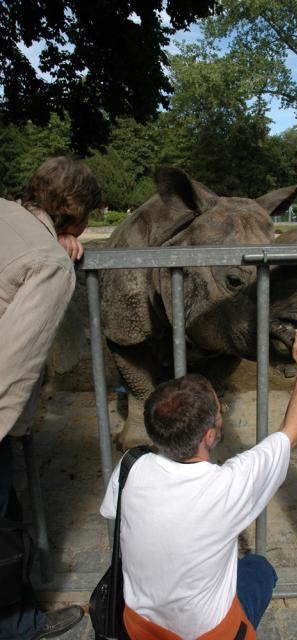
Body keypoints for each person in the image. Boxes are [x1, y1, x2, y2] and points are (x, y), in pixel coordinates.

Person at [101, 316, 297, 639]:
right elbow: (290, 433)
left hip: (138, 627)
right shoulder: (226, 487)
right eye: (220, 414)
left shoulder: (130, 467)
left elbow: (114, 513)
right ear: (209, 436)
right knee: (260, 570)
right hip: (209, 634)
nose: (222, 416)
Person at [0, 156, 101, 639]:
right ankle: (17, 628)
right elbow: (10, 365)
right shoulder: (49, 264)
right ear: (77, 215)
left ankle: (20, 617)